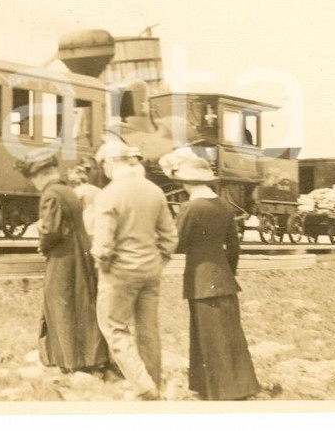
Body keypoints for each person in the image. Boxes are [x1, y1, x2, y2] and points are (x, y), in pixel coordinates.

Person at [159, 148, 260, 401]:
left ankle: (216, 390)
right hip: (223, 279)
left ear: (185, 181)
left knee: (207, 336)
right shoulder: (224, 206)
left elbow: (176, 243)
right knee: (229, 335)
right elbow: (234, 247)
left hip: (200, 280)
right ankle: (239, 386)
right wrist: (227, 273)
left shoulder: (190, 208)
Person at [90, 142, 178, 400]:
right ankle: (155, 383)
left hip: (119, 272)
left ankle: (144, 387)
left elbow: (103, 244)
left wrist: (104, 265)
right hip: (150, 270)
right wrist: (159, 261)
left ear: (109, 163)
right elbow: (170, 236)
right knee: (148, 329)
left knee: (114, 327)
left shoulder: (108, 194)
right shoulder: (155, 191)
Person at [14, 150, 110, 373]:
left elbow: (51, 230)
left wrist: (42, 243)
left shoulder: (51, 194)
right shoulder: (68, 190)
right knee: (82, 303)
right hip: (79, 252)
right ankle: (92, 357)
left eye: (33, 179)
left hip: (63, 257)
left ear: (40, 175)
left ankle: (70, 360)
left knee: (61, 304)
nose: (34, 184)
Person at [66, 161, 101, 237]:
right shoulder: (97, 190)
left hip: (85, 223)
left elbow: (72, 209)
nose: (68, 176)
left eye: (72, 173)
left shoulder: (77, 191)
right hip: (97, 224)